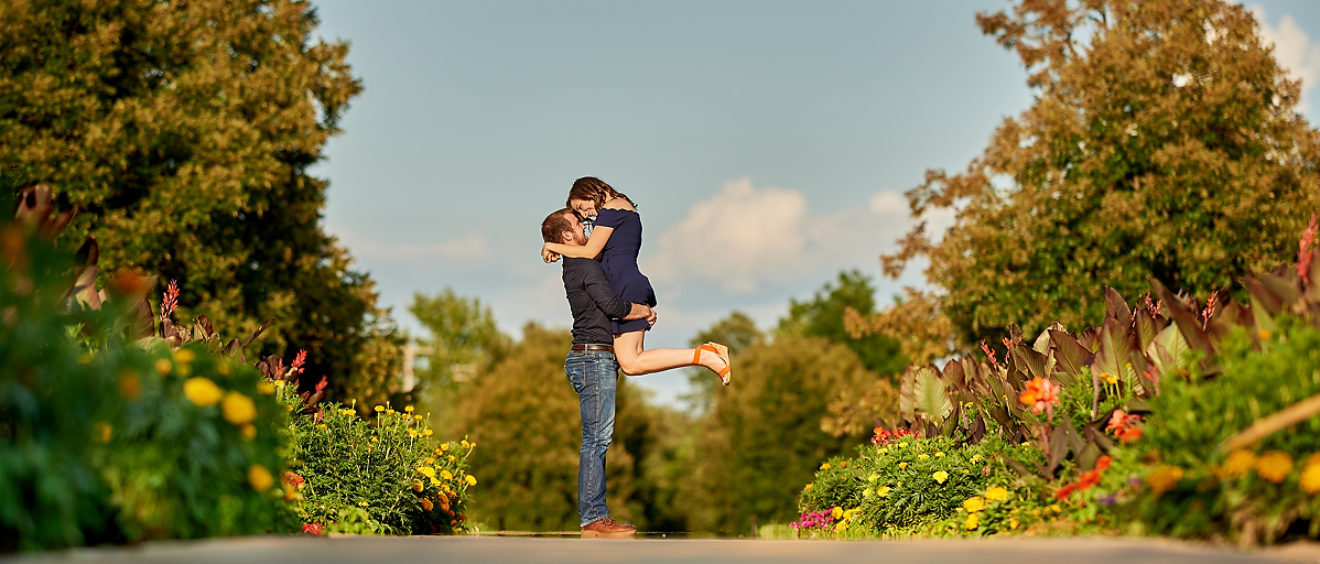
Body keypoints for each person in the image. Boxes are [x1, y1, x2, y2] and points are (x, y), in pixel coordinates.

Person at [542, 176, 732, 384]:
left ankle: (704, 355)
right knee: (634, 359)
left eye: (581, 207)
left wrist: (551, 246)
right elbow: (595, 254)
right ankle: (702, 355)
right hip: (623, 281)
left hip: (623, 282)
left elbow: (589, 252)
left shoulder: (612, 211)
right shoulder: (619, 210)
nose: (585, 214)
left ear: (589, 191)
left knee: (631, 363)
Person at [542, 207, 654, 539]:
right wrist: (643, 310)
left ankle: (594, 517)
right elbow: (614, 307)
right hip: (593, 360)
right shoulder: (584, 266)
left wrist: (550, 246)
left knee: (597, 440)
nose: (587, 227)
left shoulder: (577, 262)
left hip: (592, 359)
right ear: (567, 235)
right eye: (580, 224)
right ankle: (594, 518)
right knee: (596, 441)